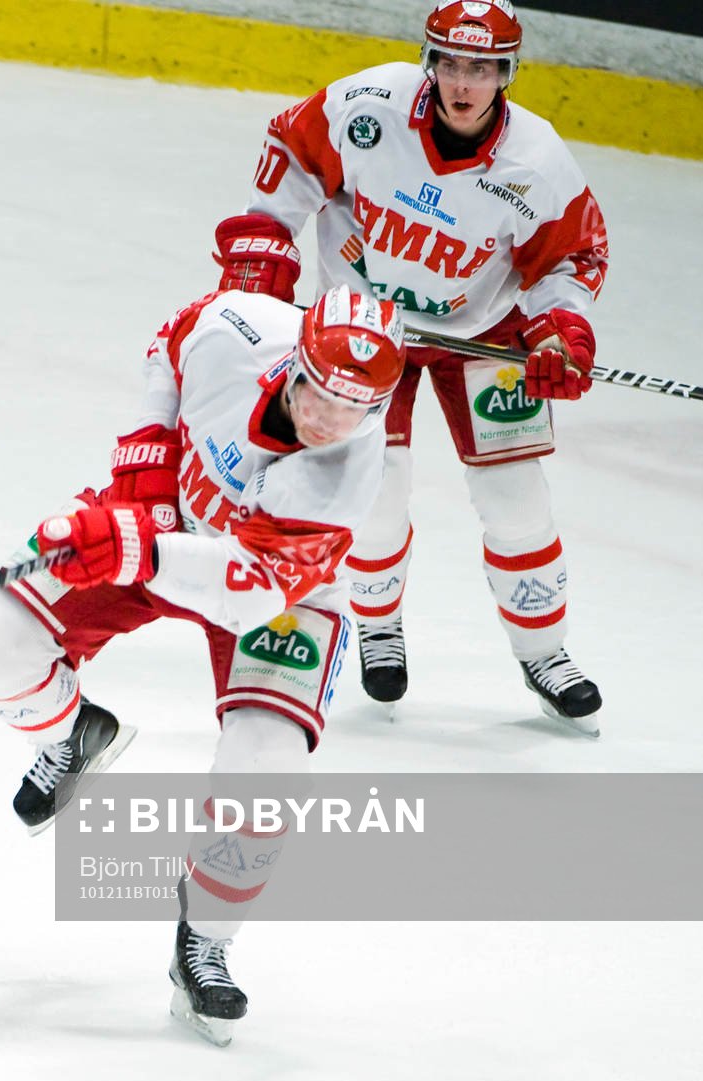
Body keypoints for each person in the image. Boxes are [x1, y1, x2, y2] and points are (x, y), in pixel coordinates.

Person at [0, 285, 407, 1043]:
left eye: (357, 410)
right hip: (164, 523)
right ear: (295, 359)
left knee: (268, 774)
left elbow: (248, 596)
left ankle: (205, 939)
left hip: (273, 591)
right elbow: (169, 344)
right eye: (323, 395)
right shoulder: (242, 328)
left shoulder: (344, 480)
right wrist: (145, 482)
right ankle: (69, 737)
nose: (331, 422)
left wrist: (139, 543)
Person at [209, 0, 608, 732]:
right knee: (376, 494)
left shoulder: (538, 161)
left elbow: (573, 255)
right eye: (451, 64)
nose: (463, 83)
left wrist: (559, 331)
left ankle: (545, 652)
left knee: (517, 498)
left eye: (481, 69)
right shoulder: (367, 106)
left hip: (483, 333)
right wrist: (265, 241)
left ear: (505, 75)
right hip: (362, 331)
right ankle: (379, 626)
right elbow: (292, 154)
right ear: (430, 63)